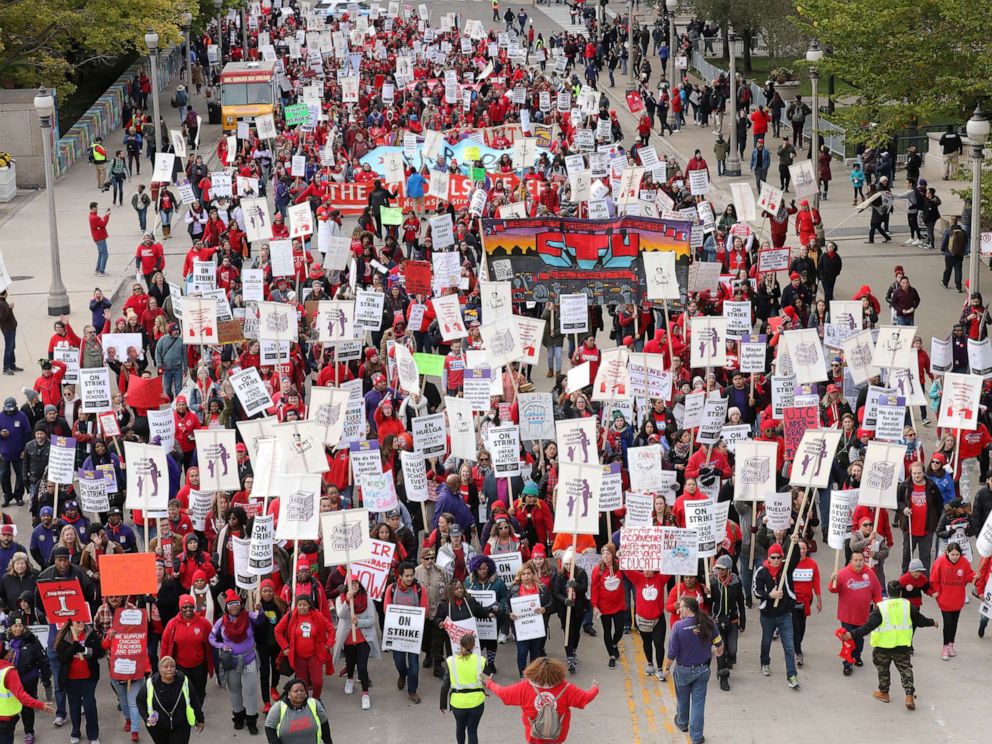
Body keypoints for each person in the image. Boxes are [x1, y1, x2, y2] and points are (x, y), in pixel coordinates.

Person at [843, 581, 938, 710]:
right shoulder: (907, 605)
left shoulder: (881, 607)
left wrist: (852, 635)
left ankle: (884, 692)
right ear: (900, 593)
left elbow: (868, 627)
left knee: (883, 669)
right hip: (902, 646)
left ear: (888, 592)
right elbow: (920, 621)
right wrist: (932, 622)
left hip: (883, 647)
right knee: (906, 670)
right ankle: (909, 695)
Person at [483, 657, 598, 744]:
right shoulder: (566, 688)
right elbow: (586, 698)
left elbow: (503, 693)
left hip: (534, 735)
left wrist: (489, 683)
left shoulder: (524, 687)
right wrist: (594, 688)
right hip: (557, 734)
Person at [662, 596, 724, 744]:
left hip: (683, 671)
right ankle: (696, 737)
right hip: (702, 670)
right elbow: (719, 643)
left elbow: (671, 653)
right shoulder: (708, 622)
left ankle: (683, 722)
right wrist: (718, 651)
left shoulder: (678, 626)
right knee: (698, 704)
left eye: (681, 607)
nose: (679, 610)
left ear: (688, 609)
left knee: (682, 698)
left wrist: (666, 668)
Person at [210, 590, 263, 734]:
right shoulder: (221, 621)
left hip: (249, 660)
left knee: (250, 691)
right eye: (230, 604)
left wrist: (260, 609)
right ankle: (239, 718)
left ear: (241, 604)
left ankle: (251, 720)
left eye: (236, 603)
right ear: (226, 606)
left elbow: (259, 620)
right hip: (231, 663)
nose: (233, 606)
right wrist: (222, 646)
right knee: (234, 691)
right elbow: (211, 638)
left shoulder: (249, 616)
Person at [752, 539, 801, 687]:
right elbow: (756, 591)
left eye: (779, 557)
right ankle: (765, 663)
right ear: (768, 557)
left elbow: (795, 557)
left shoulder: (786, 568)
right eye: (773, 557)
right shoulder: (761, 572)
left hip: (784, 614)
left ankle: (792, 675)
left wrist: (796, 543)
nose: (776, 560)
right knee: (766, 641)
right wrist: (770, 595)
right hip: (767, 616)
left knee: (789, 646)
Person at [1, 612, 53, 744]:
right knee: (9, 705)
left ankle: (29, 731)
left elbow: (42, 660)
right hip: (8, 679)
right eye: (15, 626)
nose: (18, 629)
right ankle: (10, 726)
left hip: (28, 678)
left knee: (26, 705)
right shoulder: (4, 641)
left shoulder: (32, 640)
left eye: (20, 626)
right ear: (10, 627)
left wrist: (46, 678)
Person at [829, 550, 882, 675]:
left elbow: (877, 591)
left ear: (864, 561)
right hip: (846, 616)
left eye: (860, 560)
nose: (858, 563)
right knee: (847, 641)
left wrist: (879, 605)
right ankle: (847, 663)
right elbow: (833, 589)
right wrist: (833, 581)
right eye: (856, 560)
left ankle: (857, 656)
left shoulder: (870, 574)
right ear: (851, 561)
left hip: (863, 616)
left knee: (859, 640)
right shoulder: (842, 573)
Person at [331, 578, 381, 712]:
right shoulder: (340, 599)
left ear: (359, 585)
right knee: (350, 662)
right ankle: (349, 679)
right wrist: (348, 601)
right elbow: (341, 615)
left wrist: (359, 622)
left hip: (363, 639)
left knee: (362, 667)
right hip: (348, 638)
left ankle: (365, 694)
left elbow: (371, 620)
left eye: (356, 584)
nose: (354, 586)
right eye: (351, 584)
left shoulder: (367, 600)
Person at [274, 593, 335, 700]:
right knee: (303, 683)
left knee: (317, 682)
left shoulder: (317, 615)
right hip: (298, 657)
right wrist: (285, 647)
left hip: (314, 655)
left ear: (309, 605)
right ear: (296, 605)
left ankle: (316, 699)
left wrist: (328, 644)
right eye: (299, 605)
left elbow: (331, 629)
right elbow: (277, 630)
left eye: (304, 605)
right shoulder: (291, 615)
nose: (302, 607)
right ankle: (305, 702)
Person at [54, 620, 103, 744]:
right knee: (74, 707)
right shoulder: (64, 637)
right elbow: (62, 658)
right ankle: (75, 732)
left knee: (90, 706)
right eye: (77, 622)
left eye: (83, 622)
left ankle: (93, 735)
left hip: (88, 678)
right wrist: (72, 650)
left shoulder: (91, 634)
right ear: (71, 624)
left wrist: (85, 650)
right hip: (71, 679)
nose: (81, 624)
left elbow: (100, 652)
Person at [138, 656, 204, 744]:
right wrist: (147, 718)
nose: (169, 669)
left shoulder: (184, 681)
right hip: (158, 728)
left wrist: (200, 719)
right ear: (160, 670)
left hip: (181, 726)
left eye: (172, 666)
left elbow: (194, 700)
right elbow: (140, 701)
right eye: (165, 667)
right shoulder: (150, 684)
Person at [929, 541, 975, 660]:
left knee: (954, 623)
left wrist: (975, 577)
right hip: (945, 599)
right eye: (952, 554)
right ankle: (945, 646)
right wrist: (938, 593)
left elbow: (968, 575)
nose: (955, 557)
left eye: (957, 555)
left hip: (958, 598)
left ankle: (951, 644)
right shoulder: (940, 562)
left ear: (960, 554)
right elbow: (934, 579)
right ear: (947, 553)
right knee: (948, 623)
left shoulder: (964, 562)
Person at [706, 554, 745, 690]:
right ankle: (723, 676)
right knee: (720, 649)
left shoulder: (736, 582)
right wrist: (707, 594)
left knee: (732, 650)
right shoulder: (713, 582)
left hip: (732, 620)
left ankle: (728, 661)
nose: (719, 571)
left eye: (722, 569)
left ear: (729, 569)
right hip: (717, 621)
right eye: (718, 569)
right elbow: (708, 603)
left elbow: (740, 601)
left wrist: (743, 620)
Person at [440, 633, 486, 744]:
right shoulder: (481, 660)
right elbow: (488, 678)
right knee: (472, 731)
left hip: (458, 703)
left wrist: (442, 704)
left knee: (460, 728)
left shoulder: (451, 661)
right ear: (474, 646)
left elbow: (445, 685)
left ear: (460, 645)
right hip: (477, 702)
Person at [264, 678, 332, 744]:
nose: (299, 693)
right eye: (296, 691)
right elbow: (269, 727)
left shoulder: (315, 704)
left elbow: (324, 725)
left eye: (302, 690)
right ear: (289, 694)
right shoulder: (278, 707)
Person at [88, 202, 111, 276]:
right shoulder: (95, 218)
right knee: (105, 254)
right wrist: (107, 216)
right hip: (100, 238)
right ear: (93, 208)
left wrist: (105, 216)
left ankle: (98, 269)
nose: (97, 208)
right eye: (97, 207)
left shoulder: (92, 216)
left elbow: (100, 223)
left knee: (101, 253)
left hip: (96, 238)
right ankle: (101, 271)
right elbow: (103, 224)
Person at [0, 297, 20, 377]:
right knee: (8, 348)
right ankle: (6, 368)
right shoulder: (1, 304)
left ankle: (12, 365)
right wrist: (9, 308)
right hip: (8, 329)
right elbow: (3, 318)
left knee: (12, 347)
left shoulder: (3, 301)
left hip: (11, 328)